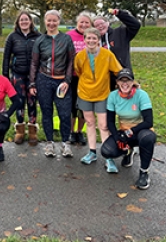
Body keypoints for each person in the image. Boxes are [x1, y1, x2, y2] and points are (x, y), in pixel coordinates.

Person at [74, 28, 122, 172]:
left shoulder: (107, 55)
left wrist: (127, 83)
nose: (91, 41)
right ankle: (92, 152)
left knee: (103, 125)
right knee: (89, 122)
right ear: (84, 39)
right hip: (85, 93)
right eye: (88, 38)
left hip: (102, 94)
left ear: (98, 39)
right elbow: (78, 71)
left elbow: (117, 70)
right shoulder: (80, 56)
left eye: (94, 38)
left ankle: (108, 157)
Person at [29, 10, 75, 158]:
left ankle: (66, 143)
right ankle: (49, 143)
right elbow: (34, 63)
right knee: (46, 112)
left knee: (64, 113)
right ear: (44, 21)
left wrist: (67, 80)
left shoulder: (66, 39)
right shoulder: (40, 40)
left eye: (54, 20)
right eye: (49, 20)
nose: (51, 23)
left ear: (59, 21)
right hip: (44, 80)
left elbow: (71, 61)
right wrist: (32, 83)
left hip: (62, 81)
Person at [101, 68, 156, 189]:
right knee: (106, 151)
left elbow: (148, 121)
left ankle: (144, 172)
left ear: (132, 82)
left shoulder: (142, 95)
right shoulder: (113, 96)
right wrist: (117, 138)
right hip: (124, 132)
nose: (125, 83)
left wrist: (130, 132)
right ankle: (128, 151)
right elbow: (110, 121)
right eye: (122, 80)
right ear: (117, 82)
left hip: (141, 131)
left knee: (147, 139)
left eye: (128, 80)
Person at [2, 10, 41, 146]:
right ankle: (19, 130)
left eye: (26, 19)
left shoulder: (38, 36)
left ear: (31, 21)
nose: (24, 22)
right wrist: (5, 76)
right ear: (18, 22)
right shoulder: (12, 37)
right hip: (17, 75)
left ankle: (32, 131)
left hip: (33, 77)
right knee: (19, 102)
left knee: (32, 102)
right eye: (21, 20)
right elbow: (6, 57)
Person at [93, 8, 140, 90]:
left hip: (122, 74)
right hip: (103, 77)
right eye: (96, 25)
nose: (100, 26)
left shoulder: (120, 33)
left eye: (102, 23)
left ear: (108, 23)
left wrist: (120, 13)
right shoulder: (93, 40)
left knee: (123, 100)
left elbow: (135, 25)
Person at [66, 11, 93, 146]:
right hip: (72, 77)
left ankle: (79, 131)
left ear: (90, 24)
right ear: (77, 23)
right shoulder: (69, 36)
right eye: (81, 22)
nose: (83, 24)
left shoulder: (92, 36)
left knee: (83, 106)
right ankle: (71, 131)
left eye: (86, 22)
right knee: (71, 106)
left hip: (86, 79)